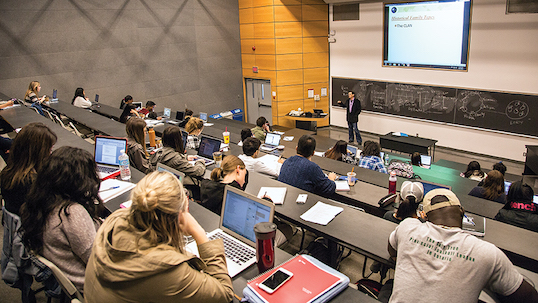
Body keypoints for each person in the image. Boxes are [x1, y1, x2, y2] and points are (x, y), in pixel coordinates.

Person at [84, 171, 234, 303]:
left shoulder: (114, 220)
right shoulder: (167, 271)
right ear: (182, 213)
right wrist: (199, 233)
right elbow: (224, 293)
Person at [386, 188, 538, 303]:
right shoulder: (487, 253)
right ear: (462, 212)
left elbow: (392, 249)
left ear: (424, 216)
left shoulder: (407, 227)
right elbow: (529, 297)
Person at [20, 146, 104, 292]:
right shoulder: (71, 213)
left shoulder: (42, 203)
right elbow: (100, 261)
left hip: (72, 276)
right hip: (95, 286)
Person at [0, 122, 57, 216]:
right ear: (38, 152)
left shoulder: (8, 172)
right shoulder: (32, 184)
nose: (50, 154)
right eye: (49, 150)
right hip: (32, 227)